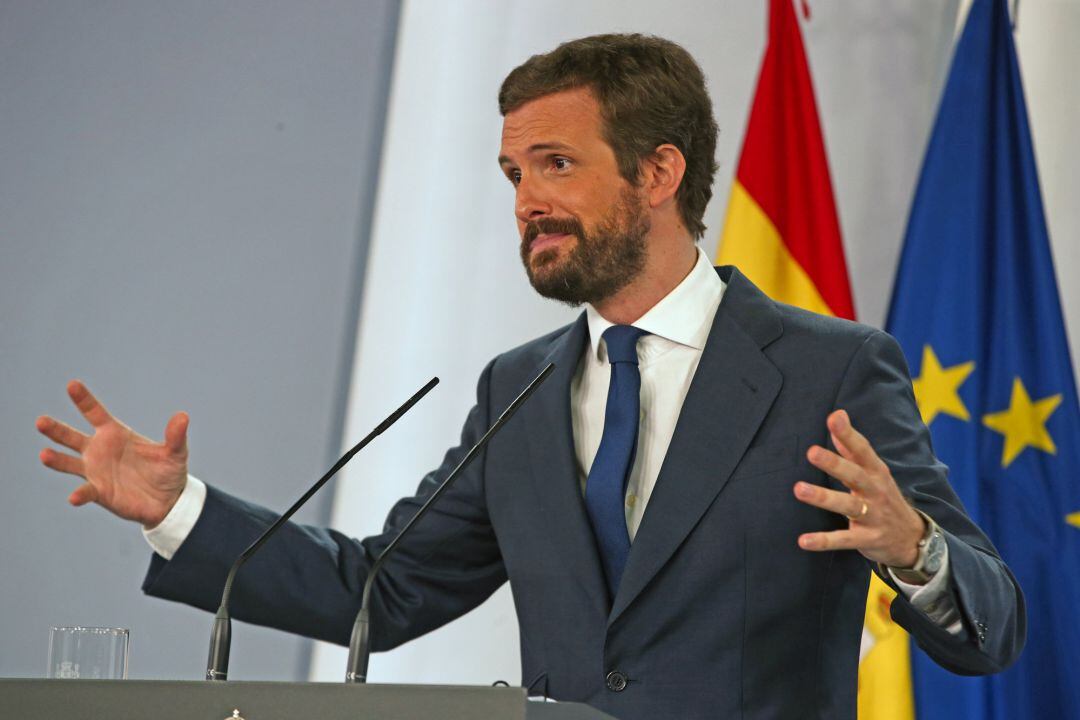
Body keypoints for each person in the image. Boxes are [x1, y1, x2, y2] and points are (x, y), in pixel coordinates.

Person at [36, 34, 1023, 720]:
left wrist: (918, 547)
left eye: (555, 165)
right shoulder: (517, 389)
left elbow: (993, 629)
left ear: (659, 173)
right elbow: (378, 591)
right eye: (514, 176)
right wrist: (180, 511)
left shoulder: (829, 369)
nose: (528, 204)